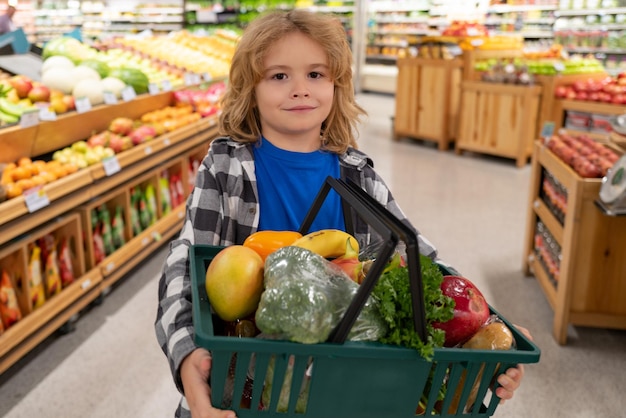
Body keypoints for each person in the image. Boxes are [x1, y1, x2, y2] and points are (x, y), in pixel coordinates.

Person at [155, 9, 529, 418]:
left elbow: (421, 262)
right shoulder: (226, 167)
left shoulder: (358, 176)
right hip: (243, 379)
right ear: (250, 88)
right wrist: (187, 355)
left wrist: (492, 326)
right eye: (279, 76)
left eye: (316, 74)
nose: (300, 89)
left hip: (341, 384)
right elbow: (185, 262)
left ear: (337, 84)